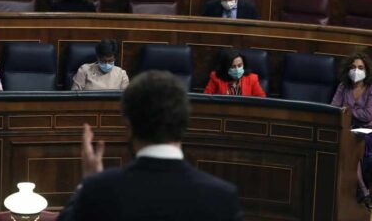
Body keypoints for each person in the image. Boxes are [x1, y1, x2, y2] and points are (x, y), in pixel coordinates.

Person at [58, 71, 243, 221]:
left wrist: (87, 184)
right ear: (184, 125)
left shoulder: (99, 190)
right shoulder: (222, 198)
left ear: (129, 127)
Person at [331, 52, 372, 206]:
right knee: (345, 141)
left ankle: (362, 190)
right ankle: (359, 191)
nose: (356, 70)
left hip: (371, 133)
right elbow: (334, 108)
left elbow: (369, 115)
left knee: (352, 144)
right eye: (353, 67)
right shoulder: (343, 86)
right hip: (349, 130)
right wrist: (348, 112)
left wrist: (347, 110)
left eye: (360, 67)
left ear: (367, 71)